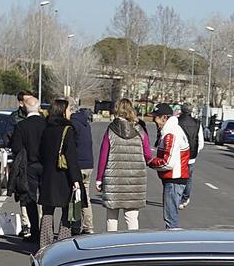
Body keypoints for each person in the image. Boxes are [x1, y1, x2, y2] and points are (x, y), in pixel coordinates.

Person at [96, 99, 151, 232]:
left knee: (112, 217)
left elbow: (104, 156)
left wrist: (99, 178)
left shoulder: (110, 130)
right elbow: (148, 154)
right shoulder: (140, 131)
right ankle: (132, 246)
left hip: (114, 178)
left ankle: (112, 244)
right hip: (135, 180)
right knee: (131, 218)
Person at [36, 97, 84, 246]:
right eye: (68, 110)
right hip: (64, 177)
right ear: (63, 112)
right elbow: (71, 157)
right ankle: (62, 243)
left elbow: (40, 153)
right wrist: (76, 180)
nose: (70, 113)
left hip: (48, 176)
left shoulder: (46, 129)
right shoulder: (68, 130)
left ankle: (44, 243)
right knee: (67, 212)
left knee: (47, 212)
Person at [7, 92, 47, 244]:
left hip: (28, 165)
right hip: (44, 165)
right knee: (45, 198)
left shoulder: (21, 126)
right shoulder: (46, 124)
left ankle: (34, 232)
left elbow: (16, 147)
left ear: (26, 109)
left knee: (30, 198)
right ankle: (46, 230)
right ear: (39, 108)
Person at [150, 102, 191, 228]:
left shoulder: (171, 134)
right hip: (176, 179)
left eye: (155, 118)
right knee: (171, 216)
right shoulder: (172, 131)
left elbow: (168, 163)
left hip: (174, 180)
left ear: (164, 118)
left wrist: (151, 162)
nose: (154, 121)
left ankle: (173, 243)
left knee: (170, 219)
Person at [69, 104, 96, 235]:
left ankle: (75, 225)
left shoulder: (73, 125)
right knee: (86, 196)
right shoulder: (85, 123)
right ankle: (88, 226)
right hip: (88, 164)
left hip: (78, 164)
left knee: (76, 197)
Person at [179, 105, 202, 198]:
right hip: (191, 155)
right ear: (191, 111)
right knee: (188, 177)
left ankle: (177, 197)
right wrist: (196, 151)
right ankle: (185, 197)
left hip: (179, 153)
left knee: (177, 176)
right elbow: (200, 141)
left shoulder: (177, 121)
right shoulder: (197, 123)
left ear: (181, 110)